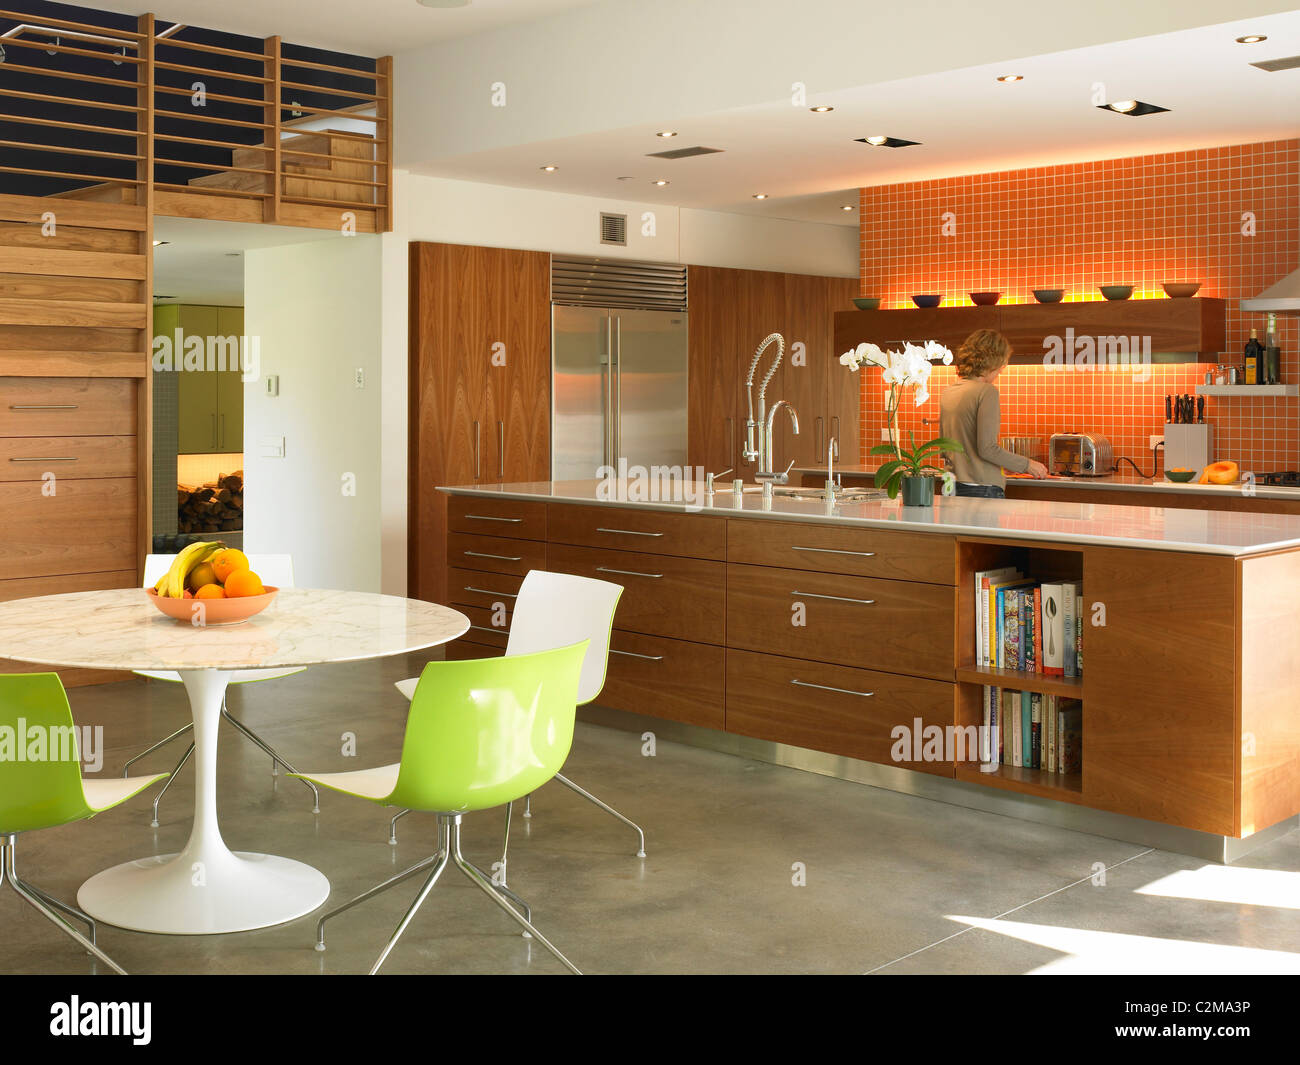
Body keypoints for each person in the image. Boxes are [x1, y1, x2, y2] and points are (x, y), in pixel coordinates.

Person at [939, 329, 1049, 498]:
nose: (1000, 372)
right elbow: (987, 449)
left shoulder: (949, 392)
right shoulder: (986, 392)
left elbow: (946, 449)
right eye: (1001, 366)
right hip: (981, 487)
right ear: (992, 361)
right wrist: (1028, 465)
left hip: (951, 485)